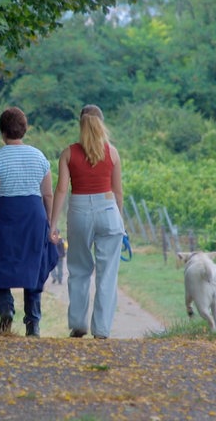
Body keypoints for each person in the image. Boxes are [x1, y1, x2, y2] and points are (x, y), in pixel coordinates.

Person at [0, 107, 58, 337]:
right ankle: (33, 323)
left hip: (5, 214)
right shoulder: (39, 156)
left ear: (2, 132)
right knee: (33, 266)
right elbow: (48, 195)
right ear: (24, 130)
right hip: (34, 216)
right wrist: (52, 226)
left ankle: (6, 310)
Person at [49, 104, 125, 339]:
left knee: (79, 269)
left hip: (80, 211)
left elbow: (61, 190)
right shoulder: (112, 152)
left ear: (80, 124)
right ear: (101, 123)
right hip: (108, 209)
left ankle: (78, 324)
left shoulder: (68, 153)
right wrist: (120, 221)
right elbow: (118, 192)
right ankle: (101, 330)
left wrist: (53, 224)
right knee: (107, 273)